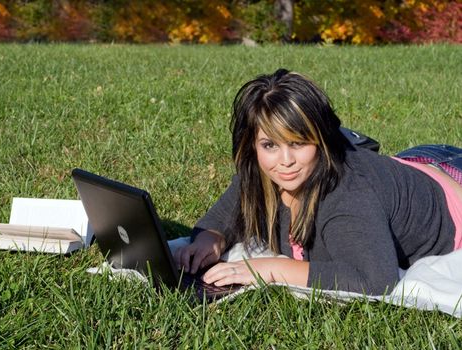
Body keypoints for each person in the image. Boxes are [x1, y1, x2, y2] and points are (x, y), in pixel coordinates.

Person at [173, 68, 462, 295]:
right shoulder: (260, 173)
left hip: (453, 177)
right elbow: (222, 217)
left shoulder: (346, 194)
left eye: (298, 143)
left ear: (321, 142)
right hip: (413, 163)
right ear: (253, 145)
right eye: (270, 145)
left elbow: (375, 279)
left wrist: (270, 268)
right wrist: (209, 240)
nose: (284, 161)